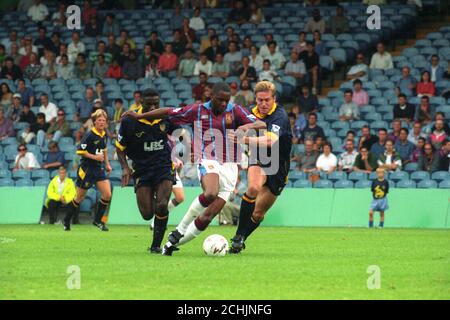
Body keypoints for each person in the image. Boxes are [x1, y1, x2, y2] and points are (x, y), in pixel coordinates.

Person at [121, 82, 266, 256]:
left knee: (206, 218)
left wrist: (245, 126)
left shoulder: (235, 110)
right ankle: (180, 228)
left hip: (231, 167)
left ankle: (170, 244)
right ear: (211, 96)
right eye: (220, 100)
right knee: (211, 193)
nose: (223, 104)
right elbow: (168, 111)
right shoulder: (197, 110)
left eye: (226, 100)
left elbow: (260, 124)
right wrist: (138, 117)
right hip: (208, 159)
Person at [116, 89, 181, 253]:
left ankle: (156, 246)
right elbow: (120, 148)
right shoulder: (129, 121)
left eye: (156, 104)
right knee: (147, 214)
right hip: (141, 169)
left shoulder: (166, 117)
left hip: (163, 167)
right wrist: (125, 167)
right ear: (140, 102)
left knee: (162, 205)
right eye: (148, 104)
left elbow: (180, 134)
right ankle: (152, 196)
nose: (152, 107)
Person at [229, 81, 292, 253]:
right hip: (259, 157)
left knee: (257, 214)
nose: (263, 104)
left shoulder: (280, 116)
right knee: (253, 188)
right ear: (255, 99)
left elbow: (271, 140)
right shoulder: (250, 113)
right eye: (260, 100)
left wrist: (245, 139)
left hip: (279, 165)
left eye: (267, 100)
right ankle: (238, 236)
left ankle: (241, 238)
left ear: (274, 99)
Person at [64, 109, 112, 232]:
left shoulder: (104, 134)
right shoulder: (90, 135)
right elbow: (80, 151)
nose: (102, 122)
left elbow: (105, 150)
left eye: (104, 120)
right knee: (79, 198)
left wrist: (107, 164)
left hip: (99, 169)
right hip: (87, 169)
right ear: (94, 122)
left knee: (107, 194)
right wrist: (94, 157)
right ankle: (66, 219)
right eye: (99, 120)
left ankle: (98, 220)